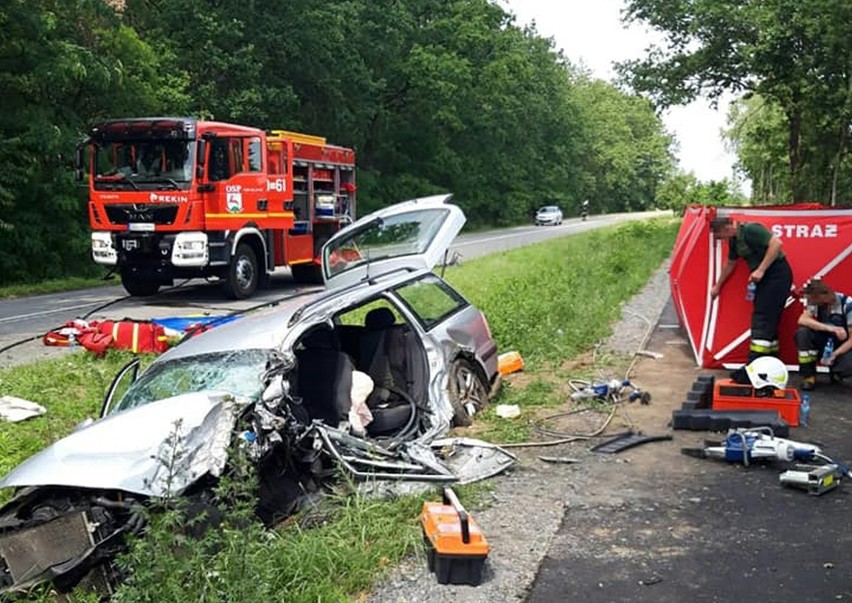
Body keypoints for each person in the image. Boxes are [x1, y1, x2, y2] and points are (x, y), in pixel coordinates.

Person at [709, 216, 793, 374]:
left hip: (777, 275)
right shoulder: (734, 241)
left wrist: (761, 269)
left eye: (720, 236)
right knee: (769, 322)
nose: (721, 240)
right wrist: (718, 286)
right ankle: (770, 363)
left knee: (762, 320)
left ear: (726, 228)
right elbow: (730, 263)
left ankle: (754, 367)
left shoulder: (751, 229)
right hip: (764, 280)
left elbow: (776, 244)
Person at [794, 279, 851, 390]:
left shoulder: (848, 305)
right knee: (802, 333)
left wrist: (834, 354)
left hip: (842, 347)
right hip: (824, 343)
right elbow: (802, 320)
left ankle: (836, 371)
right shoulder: (816, 303)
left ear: (823, 296)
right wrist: (831, 328)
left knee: (848, 367)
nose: (811, 303)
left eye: (813, 300)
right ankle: (808, 376)